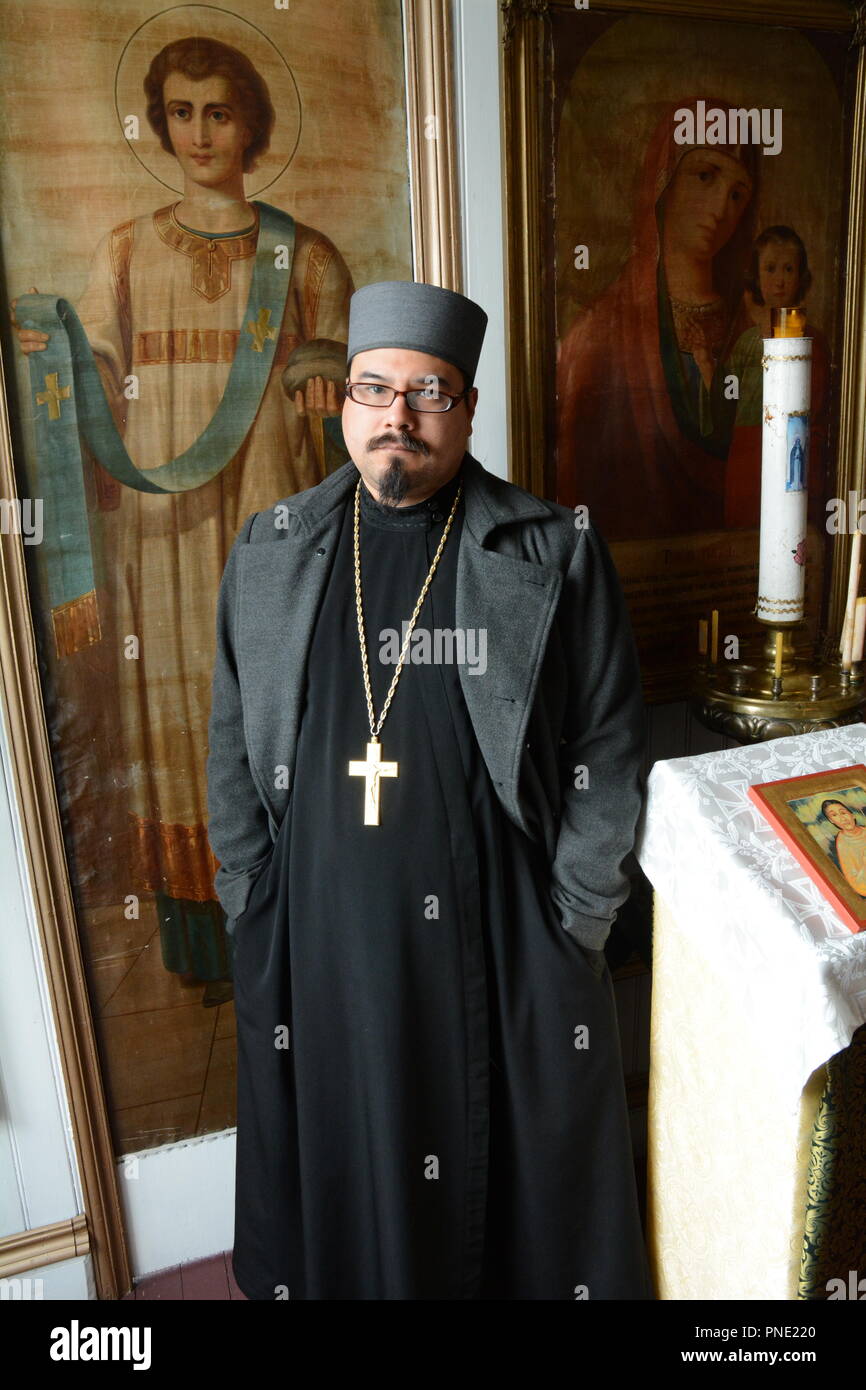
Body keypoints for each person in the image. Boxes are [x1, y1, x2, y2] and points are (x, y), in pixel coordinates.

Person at [206, 279, 652, 1300]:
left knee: (513, 1205)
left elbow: (608, 745)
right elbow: (230, 736)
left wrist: (574, 920)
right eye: (374, 389)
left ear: (464, 408)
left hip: (499, 935)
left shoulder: (549, 549)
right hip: (320, 938)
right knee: (346, 1167)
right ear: (344, 405)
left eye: (427, 390)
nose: (396, 415)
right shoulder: (273, 550)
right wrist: (252, 897)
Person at [16, 36, 354, 1002]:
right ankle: (207, 951)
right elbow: (87, 377)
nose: (200, 132)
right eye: (180, 112)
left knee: (283, 707)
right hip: (164, 532)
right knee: (180, 712)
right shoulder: (124, 250)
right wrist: (51, 348)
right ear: (159, 123)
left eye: (219, 112)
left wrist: (324, 372)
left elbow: (351, 379)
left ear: (252, 121)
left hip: (273, 508)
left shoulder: (309, 253)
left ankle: (300, 925)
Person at [556, 98, 759, 541]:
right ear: (662, 181)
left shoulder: (751, 329)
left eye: (737, 193)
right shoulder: (598, 334)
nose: (721, 207)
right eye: (704, 176)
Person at [724, 225, 830, 528]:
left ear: (801, 277)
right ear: (756, 278)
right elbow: (726, 397)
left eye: (788, 269)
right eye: (770, 269)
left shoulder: (815, 343)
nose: (780, 280)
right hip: (748, 455)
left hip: (794, 452)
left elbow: (817, 409)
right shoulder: (745, 341)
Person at [822, 799, 866, 896]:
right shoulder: (840, 845)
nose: (842, 818)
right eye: (834, 815)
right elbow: (858, 886)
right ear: (831, 821)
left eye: (843, 813)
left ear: (852, 815)